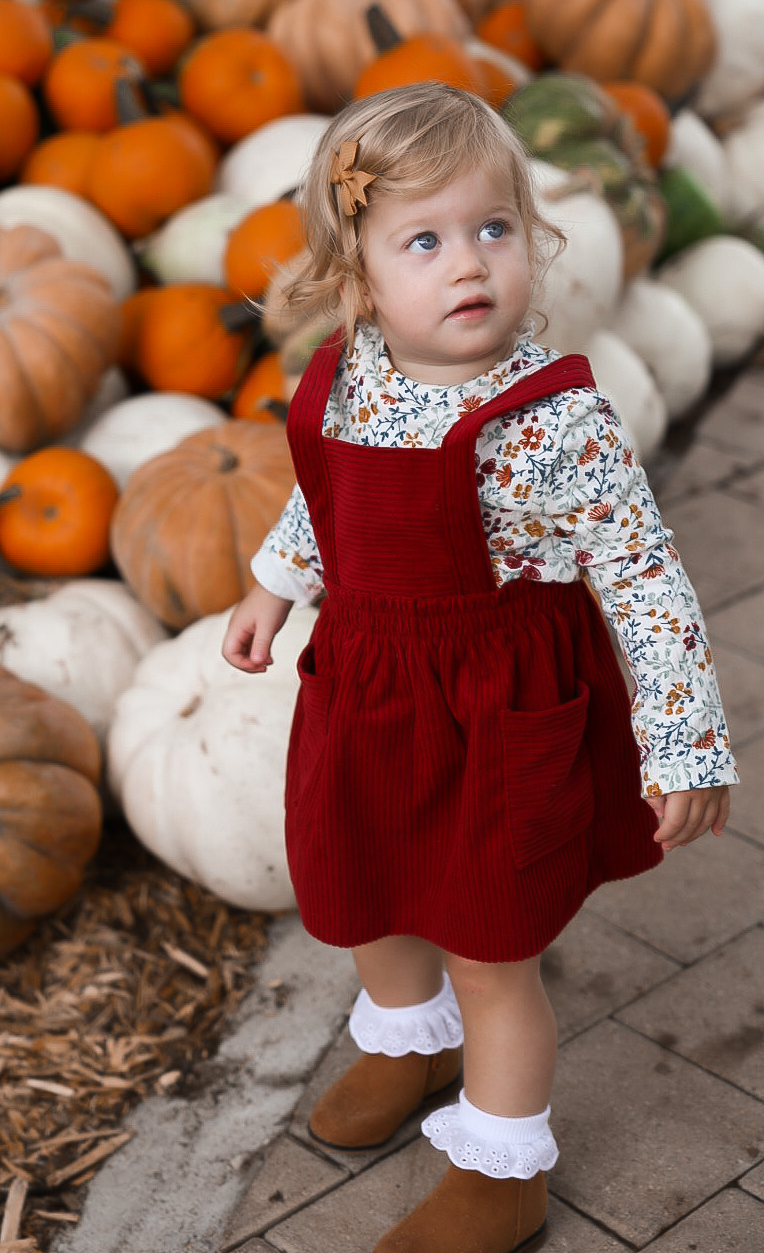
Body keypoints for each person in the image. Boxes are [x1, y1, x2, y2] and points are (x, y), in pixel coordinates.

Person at [221, 83, 737, 1253]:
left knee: (493, 944)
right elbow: (325, 498)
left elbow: (644, 577)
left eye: (492, 229)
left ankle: (506, 1163)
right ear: (359, 280)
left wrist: (686, 741)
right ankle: (411, 1036)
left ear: (532, 240)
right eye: (426, 240)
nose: (469, 265)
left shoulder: (554, 420)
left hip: (499, 713)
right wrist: (275, 580)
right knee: (366, 885)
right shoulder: (346, 376)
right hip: (367, 691)